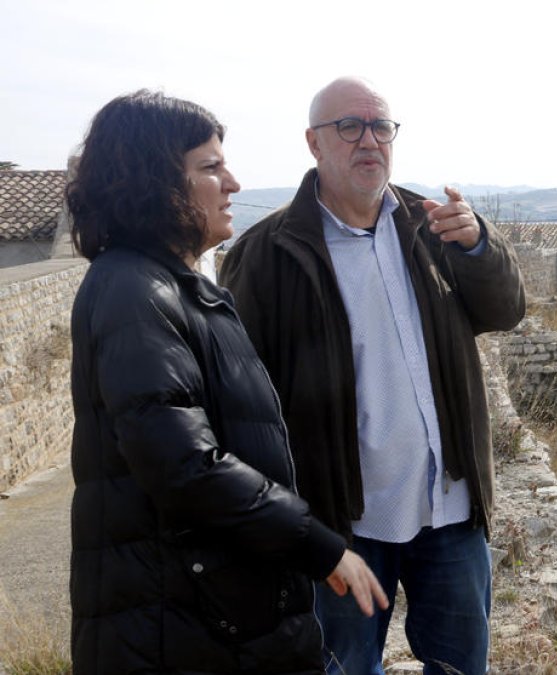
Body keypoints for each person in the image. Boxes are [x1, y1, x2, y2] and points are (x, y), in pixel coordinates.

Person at [67, 90, 388, 675]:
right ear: (155, 184)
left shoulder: (174, 289)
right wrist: (319, 546)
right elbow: (184, 463)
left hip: (219, 618)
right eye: (210, 168)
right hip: (186, 628)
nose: (234, 183)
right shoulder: (133, 292)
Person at [220, 76, 526, 675]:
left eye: (381, 127)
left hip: (450, 511)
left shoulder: (433, 226)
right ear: (314, 143)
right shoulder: (268, 253)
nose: (369, 141)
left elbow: (506, 310)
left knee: (462, 667)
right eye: (350, 127)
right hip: (344, 526)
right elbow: (241, 403)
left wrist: (480, 248)